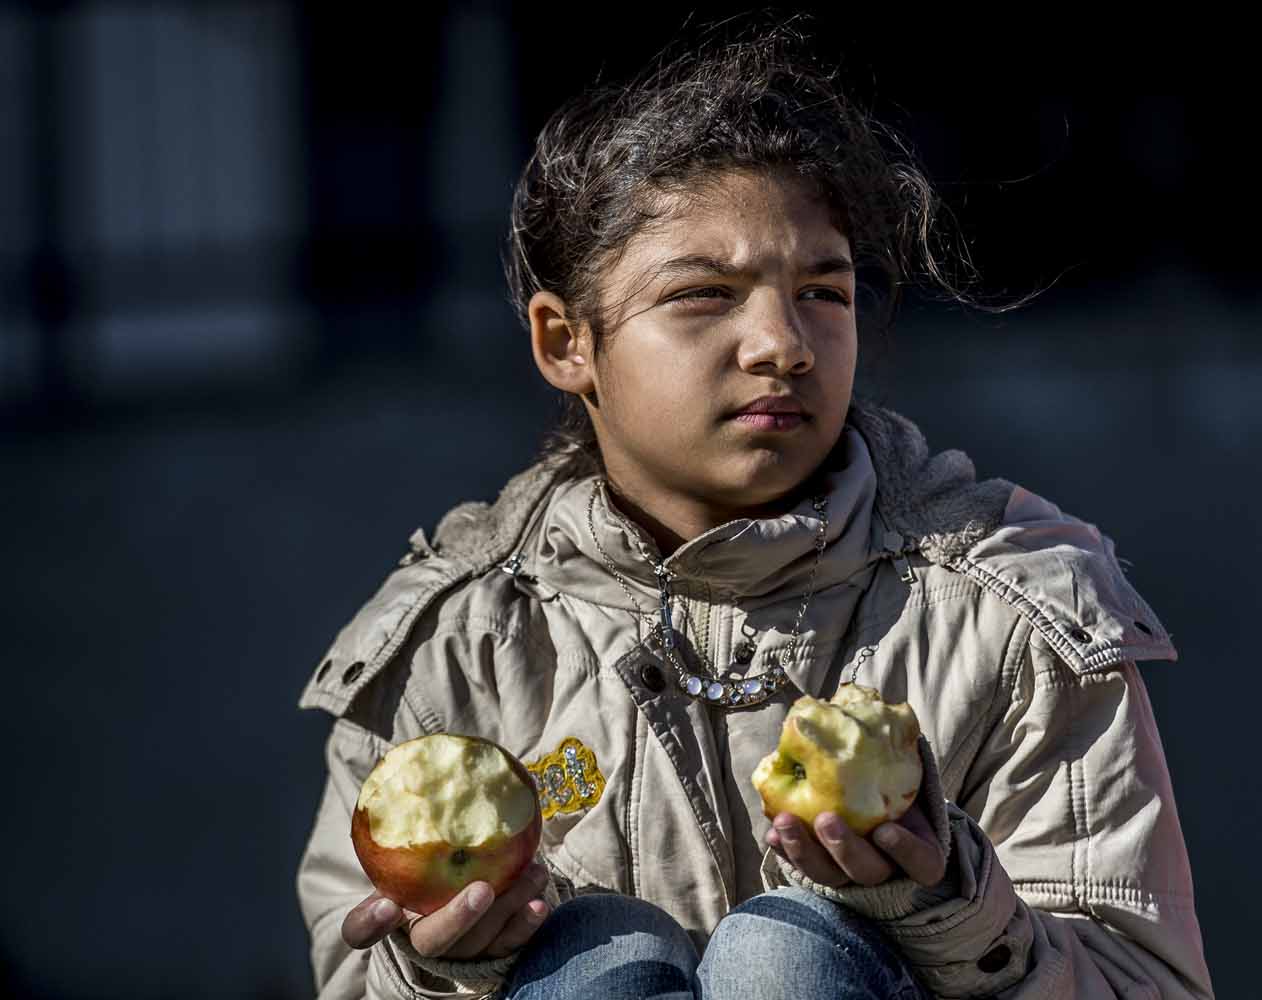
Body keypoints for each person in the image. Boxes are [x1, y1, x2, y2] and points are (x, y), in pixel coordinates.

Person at [295, 21, 1215, 1000]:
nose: (782, 342)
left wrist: (949, 906)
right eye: (705, 295)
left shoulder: (1019, 616)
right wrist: (441, 966)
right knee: (592, 954)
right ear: (566, 340)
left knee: (785, 957)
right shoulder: (445, 654)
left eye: (825, 289)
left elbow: (1142, 984)